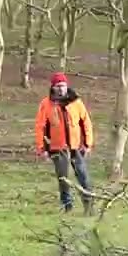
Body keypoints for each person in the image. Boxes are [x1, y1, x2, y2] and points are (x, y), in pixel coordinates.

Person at [34, 72, 95, 214]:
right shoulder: (46, 104)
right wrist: (41, 147)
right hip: (57, 148)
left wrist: (88, 144)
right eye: (58, 86)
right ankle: (67, 206)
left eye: (63, 86)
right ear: (53, 88)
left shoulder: (76, 102)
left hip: (76, 147)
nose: (61, 89)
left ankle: (89, 205)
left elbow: (86, 123)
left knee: (83, 176)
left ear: (67, 86)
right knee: (63, 179)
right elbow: (40, 126)